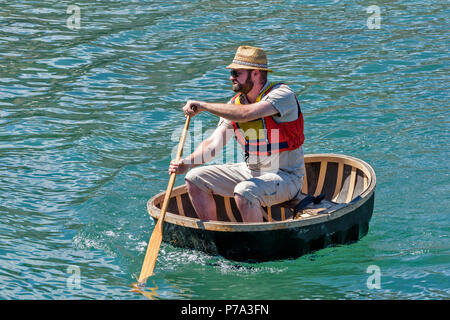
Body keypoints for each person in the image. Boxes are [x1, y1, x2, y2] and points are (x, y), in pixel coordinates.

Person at [169, 45, 305, 223]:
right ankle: (215, 238)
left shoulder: (282, 95)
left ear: (255, 73)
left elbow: (247, 114)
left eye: (236, 73)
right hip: (251, 172)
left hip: (286, 176)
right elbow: (212, 145)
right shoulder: (234, 105)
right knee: (194, 178)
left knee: (244, 191)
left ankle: (255, 245)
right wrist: (187, 162)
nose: (231, 78)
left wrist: (203, 106)